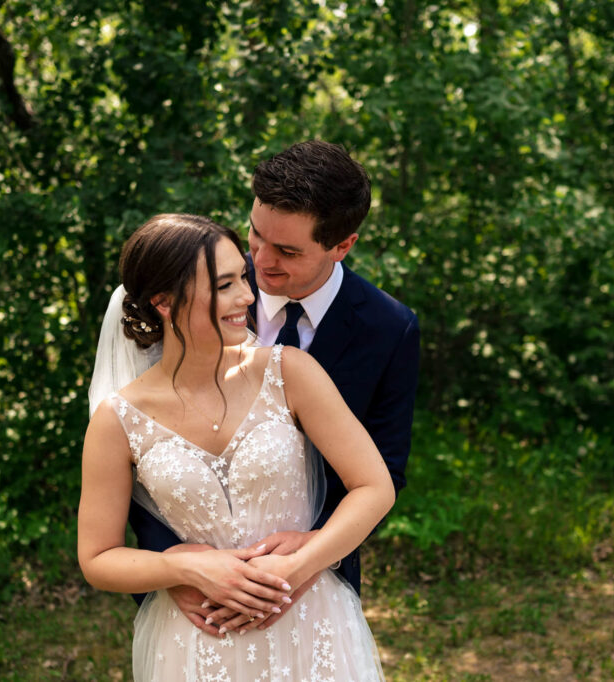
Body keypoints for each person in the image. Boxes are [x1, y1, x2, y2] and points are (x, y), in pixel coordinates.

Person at [97, 141, 420, 636]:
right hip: (194, 606)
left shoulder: (388, 328)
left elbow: (382, 474)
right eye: (255, 234)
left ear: (341, 245)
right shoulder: (189, 283)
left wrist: (305, 563)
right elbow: (142, 450)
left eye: (287, 251)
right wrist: (174, 567)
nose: (259, 263)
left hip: (311, 591)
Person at [79, 213, 394, 680]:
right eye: (226, 285)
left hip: (310, 624)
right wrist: (187, 570)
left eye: (242, 278)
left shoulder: (290, 371)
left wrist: (300, 566)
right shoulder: (117, 419)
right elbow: (98, 558)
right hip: (199, 640)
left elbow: (374, 486)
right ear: (164, 302)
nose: (248, 297)